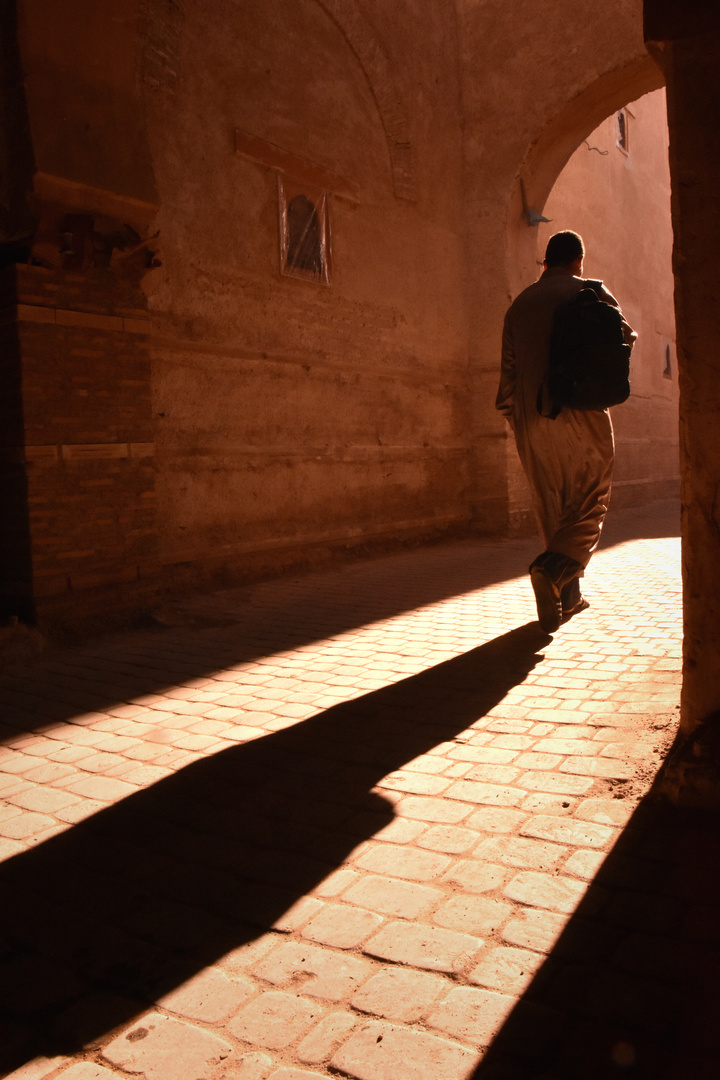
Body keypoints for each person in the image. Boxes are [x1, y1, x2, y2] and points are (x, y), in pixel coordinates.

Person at [496, 230, 636, 632]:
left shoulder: (519, 306)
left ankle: (568, 597)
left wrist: (520, 421)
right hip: (585, 412)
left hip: (532, 417)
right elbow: (625, 338)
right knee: (590, 503)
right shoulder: (592, 292)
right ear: (578, 261)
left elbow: (508, 376)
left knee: (552, 509)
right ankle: (550, 569)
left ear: (545, 262)